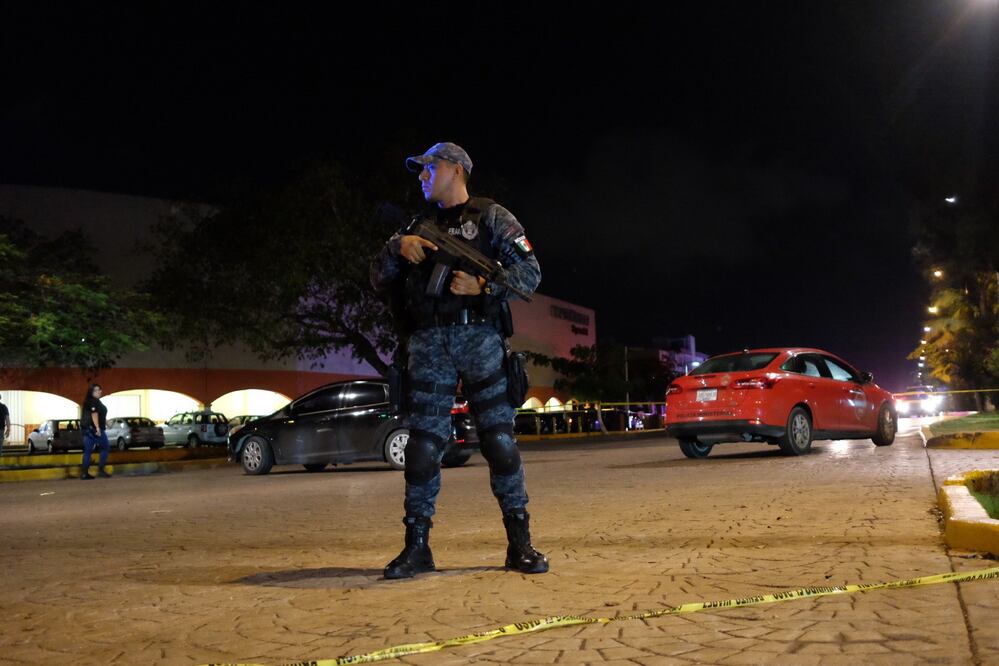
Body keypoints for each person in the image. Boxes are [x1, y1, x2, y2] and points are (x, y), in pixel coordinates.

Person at [370, 141, 547, 579]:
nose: (421, 176)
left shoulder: (492, 217)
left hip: (480, 338)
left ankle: (519, 544)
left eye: (428, 168)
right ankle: (417, 547)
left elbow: (530, 273)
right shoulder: (416, 226)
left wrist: (485, 288)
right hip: (428, 343)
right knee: (423, 447)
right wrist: (397, 249)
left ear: (454, 168)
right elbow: (376, 277)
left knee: (499, 443)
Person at [80, 384, 110, 479]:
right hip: (94, 430)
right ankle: (100, 470)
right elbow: (94, 414)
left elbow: (99, 414)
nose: (100, 391)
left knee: (88, 451)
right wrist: (97, 428)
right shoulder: (92, 401)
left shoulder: (94, 401)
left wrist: (106, 423)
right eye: (97, 390)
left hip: (88, 429)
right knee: (105, 447)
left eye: (100, 389)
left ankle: (85, 473)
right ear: (91, 391)